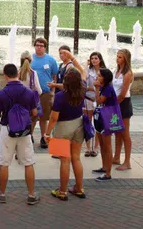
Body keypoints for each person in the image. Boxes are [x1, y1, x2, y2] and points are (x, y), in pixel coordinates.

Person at [0, 63, 40, 205]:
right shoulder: (29, 92)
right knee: (28, 162)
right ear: (18, 74)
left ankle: (2, 193)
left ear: (5, 76)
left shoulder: (1, 94)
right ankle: (31, 194)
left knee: (4, 162)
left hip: (7, 129)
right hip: (24, 130)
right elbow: (35, 113)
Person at [45, 67, 86, 201]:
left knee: (64, 160)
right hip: (79, 125)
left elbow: (53, 118)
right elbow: (83, 74)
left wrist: (47, 133)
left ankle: (62, 191)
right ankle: (79, 189)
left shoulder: (60, 96)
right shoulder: (82, 90)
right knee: (76, 158)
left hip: (62, 128)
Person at [29, 37, 58, 148]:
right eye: (37, 45)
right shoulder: (30, 59)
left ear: (45, 47)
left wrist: (53, 91)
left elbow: (54, 76)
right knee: (32, 116)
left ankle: (43, 137)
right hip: (32, 93)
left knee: (44, 117)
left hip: (45, 93)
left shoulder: (50, 60)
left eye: (41, 45)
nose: (39, 47)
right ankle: (29, 136)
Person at [92, 68, 116, 182]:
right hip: (100, 118)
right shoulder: (103, 87)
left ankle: (108, 173)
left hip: (107, 119)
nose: (97, 77)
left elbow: (99, 101)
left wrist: (96, 88)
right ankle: (104, 167)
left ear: (105, 78)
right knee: (102, 145)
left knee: (107, 146)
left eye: (99, 76)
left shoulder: (108, 88)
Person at [112, 49, 134, 171]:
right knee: (117, 132)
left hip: (123, 103)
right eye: (117, 56)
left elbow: (122, 94)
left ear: (126, 59)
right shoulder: (116, 70)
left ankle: (127, 162)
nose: (117, 59)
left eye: (120, 57)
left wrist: (112, 104)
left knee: (125, 133)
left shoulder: (128, 73)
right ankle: (116, 157)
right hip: (115, 102)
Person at [84, 52, 106, 157]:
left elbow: (105, 86)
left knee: (97, 123)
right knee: (87, 122)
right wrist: (85, 64)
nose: (94, 60)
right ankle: (88, 147)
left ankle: (96, 147)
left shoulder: (104, 72)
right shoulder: (89, 70)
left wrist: (93, 88)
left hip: (99, 99)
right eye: (92, 58)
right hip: (88, 98)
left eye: (96, 58)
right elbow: (84, 82)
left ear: (100, 59)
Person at [19, 51, 43, 141]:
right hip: (31, 100)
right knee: (33, 118)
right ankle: (30, 134)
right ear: (31, 60)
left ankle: (21, 133)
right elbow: (39, 90)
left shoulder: (18, 72)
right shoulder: (33, 73)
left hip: (20, 100)